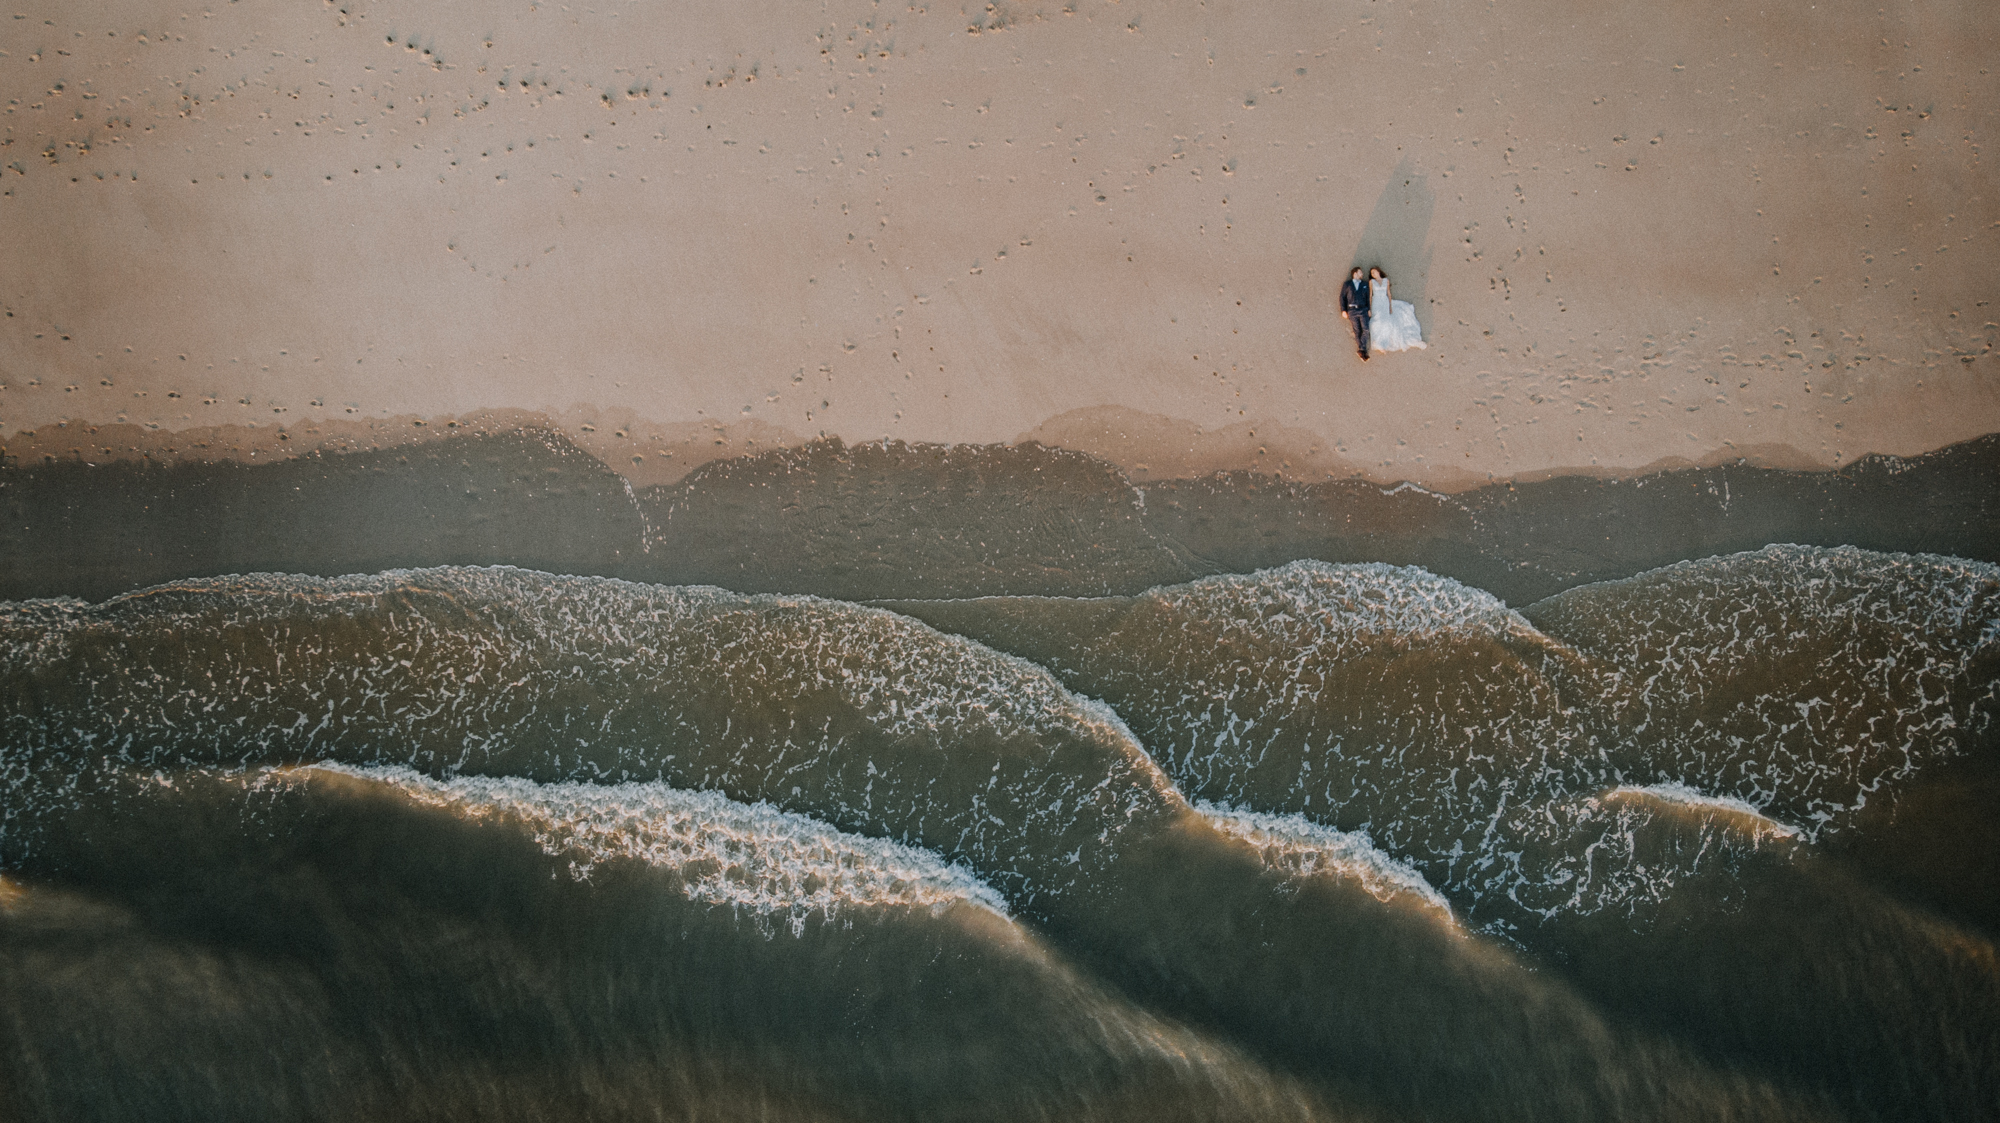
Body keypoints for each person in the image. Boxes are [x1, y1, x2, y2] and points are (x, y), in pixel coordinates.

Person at [1367, 267, 1428, 353]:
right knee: (1377, 320)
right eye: (1372, 273)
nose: (1373, 274)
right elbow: (1369, 295)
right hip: (1376, 301)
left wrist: (1390, 306)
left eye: (1374, 272)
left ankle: (1382, 342)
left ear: (1378, 271)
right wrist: (1369, 308)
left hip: (1384, 301)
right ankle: (1377, 341)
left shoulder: (1386, 280)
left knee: (1386, 320)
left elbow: (1388, 293)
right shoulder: (1371, 282)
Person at [1337, 267, 1371, 361]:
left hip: (1363, 309)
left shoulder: (1364, 284)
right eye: (1360, 272)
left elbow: (1368, 298)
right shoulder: (1347, 284)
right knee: (1357, 330)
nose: (1362, 274)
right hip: (1352, 310)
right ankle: (1362, 350)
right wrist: (1343, 310)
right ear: (1355, 273)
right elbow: (1342, 297)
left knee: (1366, 329)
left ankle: (1361, 349)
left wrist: (1369, 309)